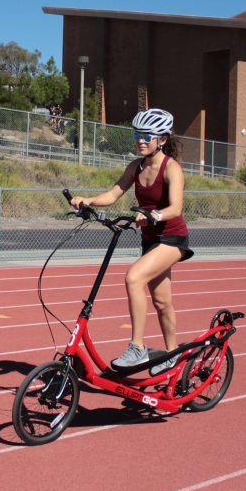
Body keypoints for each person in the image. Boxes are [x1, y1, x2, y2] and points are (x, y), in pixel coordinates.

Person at [70, 108, 194, 371]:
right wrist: (87, 200)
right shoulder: (135, 167)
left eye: (146, 135)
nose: (139, 140)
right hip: (151, 240)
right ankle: (173, 353)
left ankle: (137, 346)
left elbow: (175, 208)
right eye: (136, 134)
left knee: (134, 277)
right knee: (162, 301)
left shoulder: (172, 169)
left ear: (161, 139)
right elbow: (114, 193)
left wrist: (152, 216)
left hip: (172, 238)